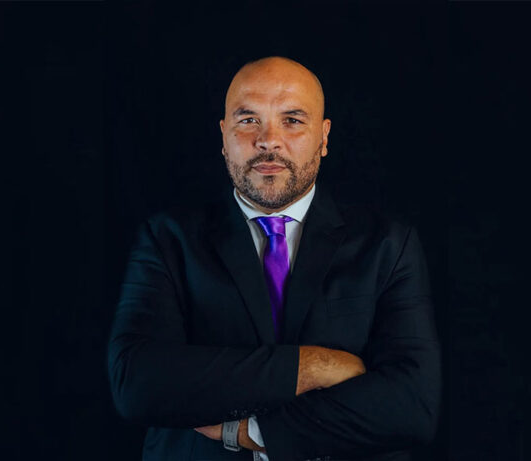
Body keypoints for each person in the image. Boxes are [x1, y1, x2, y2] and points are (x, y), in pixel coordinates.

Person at [108, 56, 441, 461]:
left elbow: (412, 407)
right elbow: (137, 384)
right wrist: (314, 366)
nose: (268, 140)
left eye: (292, 120)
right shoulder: (167, 240)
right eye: (248, 120)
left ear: (324, 136)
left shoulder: (388, 244)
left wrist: (249, 432)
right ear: (223, 135)